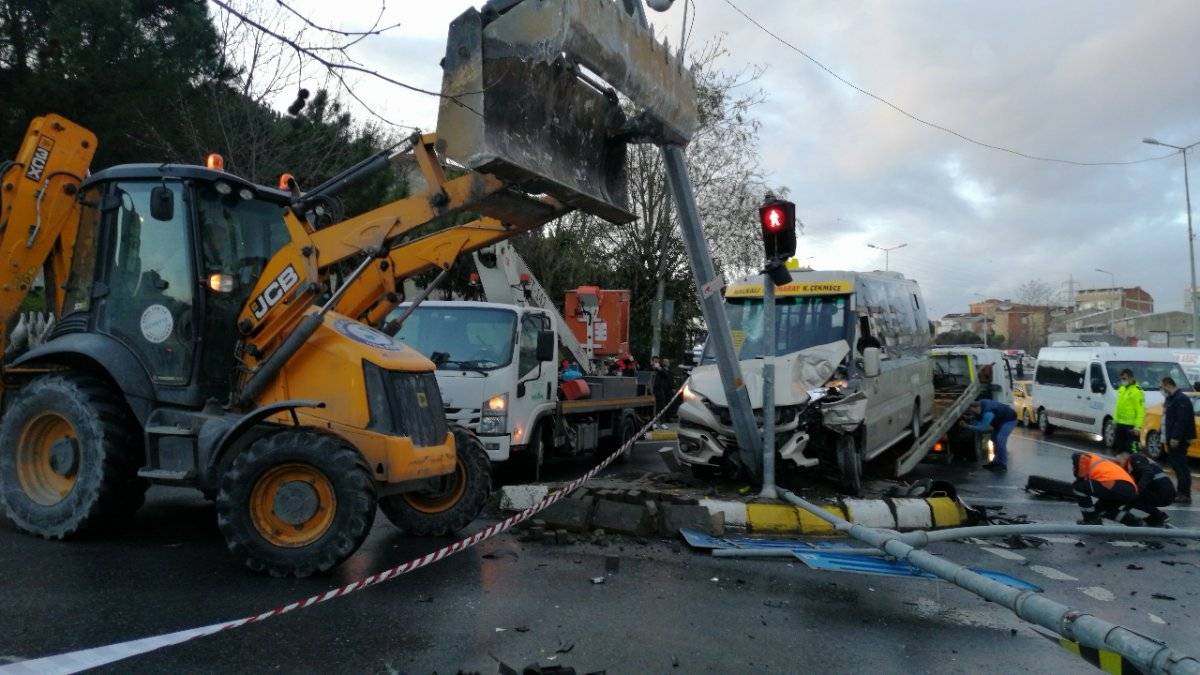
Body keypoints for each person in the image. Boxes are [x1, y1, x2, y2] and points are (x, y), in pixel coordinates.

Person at [1072, 452, 1137, 524]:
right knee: (1100, 511)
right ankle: (1136, 523)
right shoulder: (1099, 463)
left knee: (1078, 487)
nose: (1073, 468)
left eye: (1074, 466)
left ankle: (1090, 520)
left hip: (1115, 486)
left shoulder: (1082, 458)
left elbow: (1079, 464)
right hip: (1129, 490)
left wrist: (1078, 476)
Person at [1160, 376, 1194, 505]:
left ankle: (1184, 494)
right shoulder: (1171, 399)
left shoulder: (1181, 399)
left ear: (1168, 385)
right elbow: (1166, 419)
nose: (1162, 390)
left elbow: (1181, 421)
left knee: (1181, 467)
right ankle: (1181, 492)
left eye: (1162, 387)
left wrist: (1176, 437)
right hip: (1171, 438)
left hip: (1178, 440)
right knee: (1176, 465)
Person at [1118, 453, 1176, 526]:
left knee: (1132, 495)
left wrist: (1137, 490)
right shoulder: (1135, 467)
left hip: (1163, 493)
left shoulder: (1135, 458)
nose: (1119, 466)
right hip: (1165, 493)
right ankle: (1154, 519)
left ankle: (1159, 516)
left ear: (1124, 458)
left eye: (1119, 462)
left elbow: (1148, 473)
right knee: (1131, 496)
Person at [963, 399, 1017, 472]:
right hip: (1000, 421)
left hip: (1009, 420)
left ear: (977, 408)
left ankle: (1003, 465)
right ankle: (996, 462)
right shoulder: (980, 405)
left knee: (1000, 440)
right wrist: (970, 419)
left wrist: (967, 426)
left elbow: (982, 428)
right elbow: (977, 421)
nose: (973, 413)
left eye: (973, 411)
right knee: (994, 439)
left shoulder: (988, 413)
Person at [1112, 368, 1144, 454]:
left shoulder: (1137, 391)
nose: (1123, 381)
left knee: (1132, 451)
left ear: (1131, 378)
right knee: (1119, 450)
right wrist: (1115, 420)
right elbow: (1118, 406)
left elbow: (1140, 411)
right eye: (1121, 379)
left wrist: (1137, 427)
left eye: (1124, 379)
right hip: (1120, 424)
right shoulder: (1122, 389)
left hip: (1131, 427)